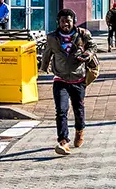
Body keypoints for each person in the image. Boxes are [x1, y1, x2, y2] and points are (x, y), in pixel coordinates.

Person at [39, 8, 97, 156]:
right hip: (60, 79)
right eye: (63, 21)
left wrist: (87, 54)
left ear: (74, 21)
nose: (66, 24)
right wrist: (43, 68)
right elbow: (47, 53)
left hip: (78, 78)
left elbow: (92, 46)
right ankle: (63, 142)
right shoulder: (52, 37)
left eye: (68, 21)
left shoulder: (83, 34)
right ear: (58, 22)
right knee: (61, 110)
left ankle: (80, 130)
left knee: (78, 109)